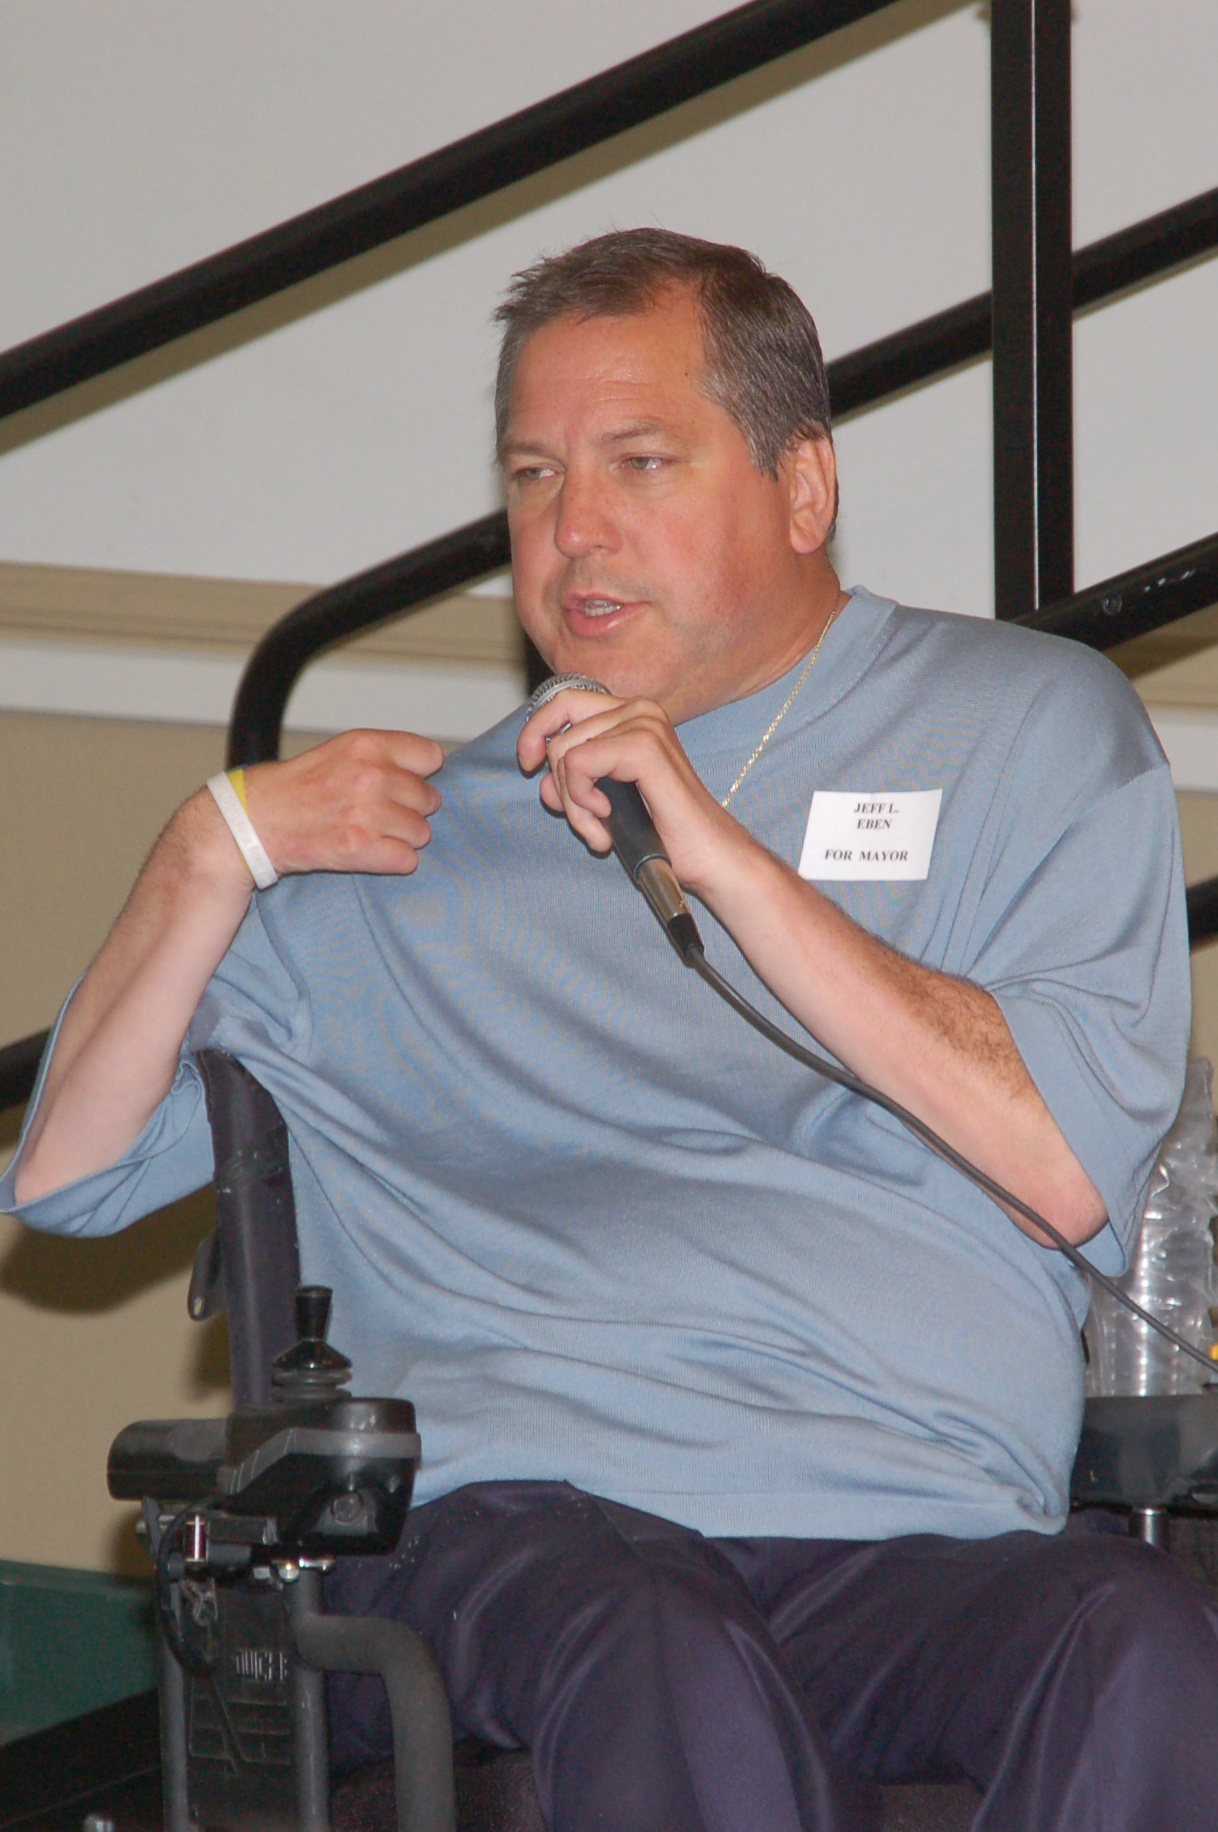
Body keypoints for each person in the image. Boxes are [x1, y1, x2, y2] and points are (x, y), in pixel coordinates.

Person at [3, 229, 1215, 1829]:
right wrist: (204, 847)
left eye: (639, 462)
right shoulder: (402, 845)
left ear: (801, 487)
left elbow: (1058, 1168)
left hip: (908, 1534)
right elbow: (68, 1179)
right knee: (659, 1642)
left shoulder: (1026, 730)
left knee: (1142, 1642)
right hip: (518, 1533)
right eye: (532, 475)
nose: (572, 527)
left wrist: (722, 857)